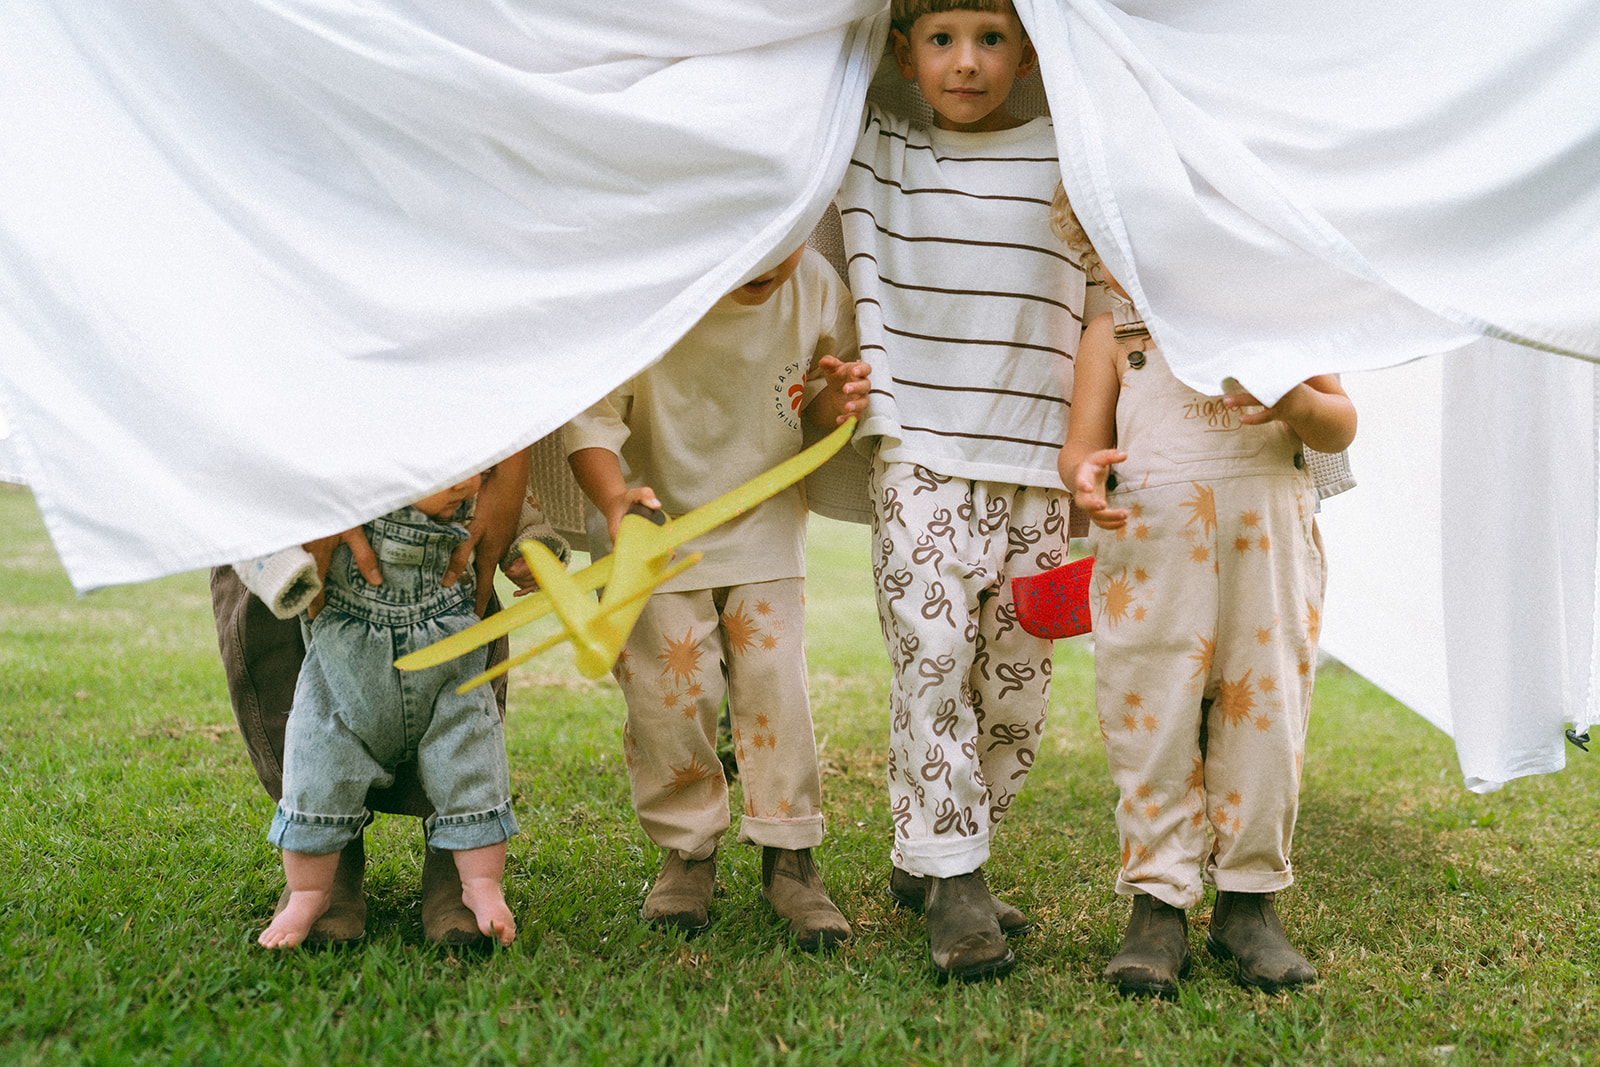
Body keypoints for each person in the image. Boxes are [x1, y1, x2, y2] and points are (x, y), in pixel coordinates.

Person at [834, 0, 1087, 980]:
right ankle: (957, 877)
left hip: (1041, 475)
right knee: (933, 661)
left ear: (1028, 53)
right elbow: (795, 77)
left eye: (989, 39)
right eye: (941, 40)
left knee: (1018, 692)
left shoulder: (1072, 156)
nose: (967, 63)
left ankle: (934, 854)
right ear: (904, 53)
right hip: (921, 459)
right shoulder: (879, 154)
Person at [1054, 186, 1357, 996]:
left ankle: (1250, 900)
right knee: (1150, 719)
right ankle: (1157, 901)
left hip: (1267, 552)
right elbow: (1082, 444)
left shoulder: (1278, 318)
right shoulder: (1111, 335)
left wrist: (1294, 400)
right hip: (1152, 553)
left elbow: (1339, 422)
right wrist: (1082, 477)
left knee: (1263, 719)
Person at [563, 246, 870, 951]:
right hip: (653, 532)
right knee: (672, 695)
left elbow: (817, 406)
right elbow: (591, 417)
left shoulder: (816, 284)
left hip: (763, 524)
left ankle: (790, 855)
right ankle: (689, 850)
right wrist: (615, 504)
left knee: (777, 688)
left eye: (785, 237)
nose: (768, 261)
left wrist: (837, 400)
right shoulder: (646, 287)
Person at [211, 451, 525, 947]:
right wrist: (289, 574)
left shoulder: (464, 499)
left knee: (472, 770)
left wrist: (531, 545)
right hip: (340, 689)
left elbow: (516, 507)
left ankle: (479, 884)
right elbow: (254, 540)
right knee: (317, 777)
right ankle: (311, 892)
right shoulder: (333, 488)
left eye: (476, 469)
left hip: (450, 681)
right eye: (449, 469)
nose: (468, 482)